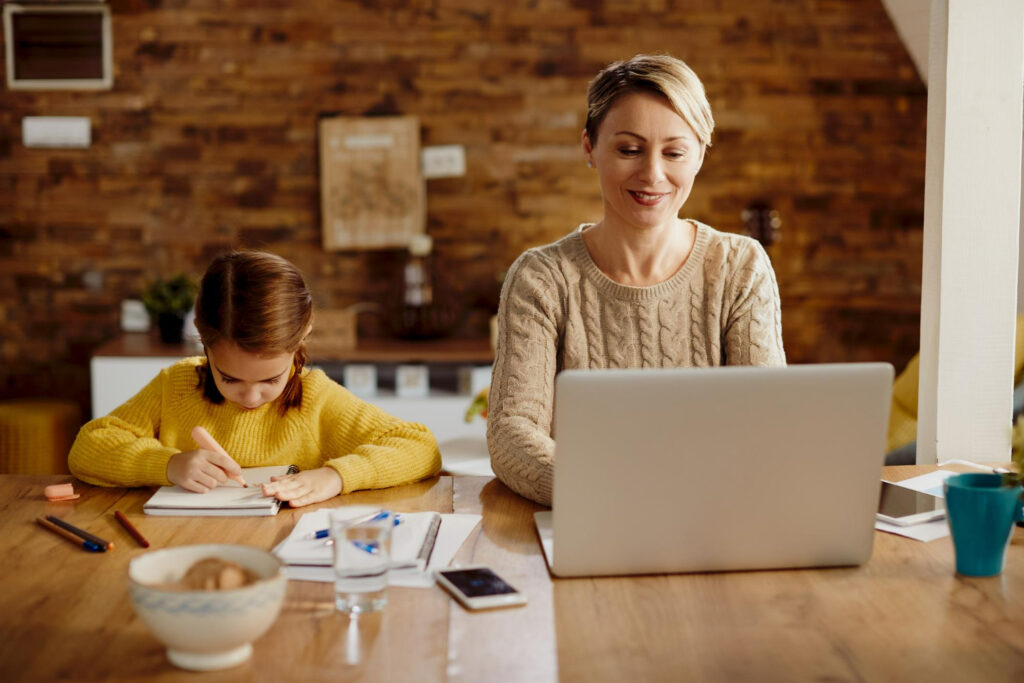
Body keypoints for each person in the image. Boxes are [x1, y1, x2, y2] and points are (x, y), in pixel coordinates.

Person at [487, 54, 786, 505]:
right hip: (591, 511)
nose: (652, 174)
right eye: (629, 150)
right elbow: (512, 433)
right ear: (589, 147)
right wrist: (614, 493)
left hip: (713, 512)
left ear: (701, 153)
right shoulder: (540, 279)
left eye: (674, 152)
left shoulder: (740, 267)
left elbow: (765, 422)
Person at [69, 250, 441, 507]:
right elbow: (88, 449)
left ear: (302, 337)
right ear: (202, 337)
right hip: (188, 552)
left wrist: (336, 476)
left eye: (270, 380)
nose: (250, 397)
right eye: (229, 379)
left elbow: (421, 448)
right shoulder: (176, 385)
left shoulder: (315, 396)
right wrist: (167, 465)